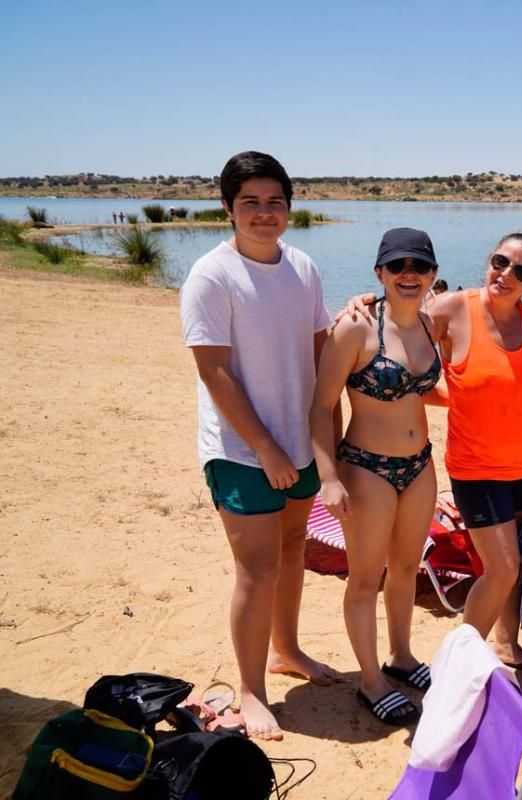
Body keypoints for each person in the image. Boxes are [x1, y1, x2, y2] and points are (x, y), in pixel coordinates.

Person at [343, 232, 522, 675]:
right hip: (476, 467)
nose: (505, 274)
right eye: (500, 261)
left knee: (513, 564)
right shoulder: (452, 309)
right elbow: (399, 332)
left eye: (520, 271)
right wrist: (367, 302)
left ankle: (506, 643)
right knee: (503, 568)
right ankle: (460, 664)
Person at [180, 151, 339, 740]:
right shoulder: (211, 276)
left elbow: (323, 353)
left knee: (294, 549)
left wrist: (329, 440)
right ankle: (250, 689)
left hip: (299, 440)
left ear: (289, 208)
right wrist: (267, 449)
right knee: (257, 567)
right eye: (250, 202)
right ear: (228, 207)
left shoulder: (302, 267)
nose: (264, 213)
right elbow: (214, 372)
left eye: (275, 202)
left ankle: (287, 650)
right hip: (242, 450)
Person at [310, 228, 441, 725]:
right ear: (379, 273)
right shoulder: (355, 328)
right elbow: (321, 405)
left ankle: (401, 657)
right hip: (367, 468)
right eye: (397, 265)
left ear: (432, 274)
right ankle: (370, 681)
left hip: (420, 465)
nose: (409, 274)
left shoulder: (431, 322)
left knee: (407, 568)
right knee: (366, 579)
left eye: (419, 266)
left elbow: (491, 306)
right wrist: (328, 476)